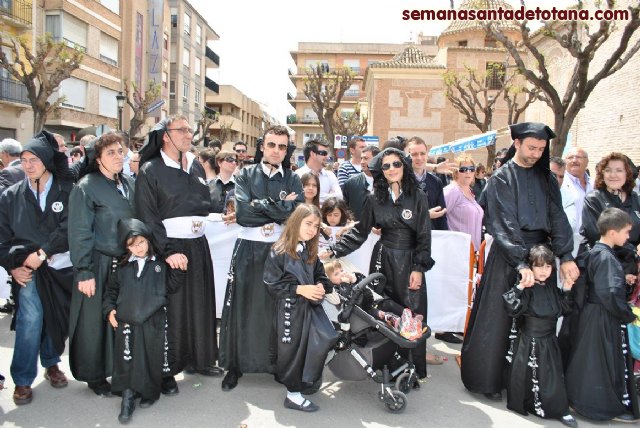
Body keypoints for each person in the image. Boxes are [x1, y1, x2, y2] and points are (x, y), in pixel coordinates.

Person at [461, 122, 578, 401]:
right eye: (531, 148)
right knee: (497, 320)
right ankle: (489, 380)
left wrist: (565, 256)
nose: (536, 154)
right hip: (508, 255)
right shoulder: (501, 178)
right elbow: (502, 222)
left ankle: (529, 383)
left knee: (537, 322)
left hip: (541, 256)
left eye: (541, 149)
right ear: (517, 144)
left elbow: (557, 216)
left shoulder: (547, 179)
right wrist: (521, 263)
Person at [325, 146, 433, 380]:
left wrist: (418, 268)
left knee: (411, 311)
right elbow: (360, 232)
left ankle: (412, 370)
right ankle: (386, 363)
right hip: (382, 260)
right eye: (386, 166)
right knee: (383, 311)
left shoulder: (418, 196)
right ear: (381, 171)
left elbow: (424, 236)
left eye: (396, 164)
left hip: (409, 260)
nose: (392, 169)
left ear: (404, 166)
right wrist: (333, 250)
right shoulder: (375, 198)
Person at [135, 115, 221, 397]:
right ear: (165, 135)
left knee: (200, 303)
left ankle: (200, 358)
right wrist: (167, 252)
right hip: (169, 248)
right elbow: (148, 215)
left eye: (189, 130)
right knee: (172, 310)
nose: (188, 134)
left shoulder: (195, 164)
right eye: (182, 130)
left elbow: (202, 204)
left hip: (198, 245)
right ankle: (167, 369)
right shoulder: (151, 169)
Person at [219, 125, 303, 391]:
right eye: (272, 145)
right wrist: (281, 206)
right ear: (262, 147)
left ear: (287, 150)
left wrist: (261, 205)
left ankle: (277, 365)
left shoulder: (293, 178)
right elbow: (243, 215)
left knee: (276, 310)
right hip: (248, 249)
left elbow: (296, 215)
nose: (277, 151)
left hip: (279, 252)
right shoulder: (245, 174)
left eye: (282, 146)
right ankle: (235, 366)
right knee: (241, 308)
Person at [0, 130, 75, 405]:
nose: (28, 165)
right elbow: (2, 239)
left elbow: (69, 228)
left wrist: (43, 253)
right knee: (30, 319)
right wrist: (13, 267)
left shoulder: (67, 191)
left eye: (34, 159)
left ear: (46, 160)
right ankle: (22, 379)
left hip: (60, 268)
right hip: (27, 271)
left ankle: (51, 362)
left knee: (57, 318)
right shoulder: (10, 196)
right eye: (23, 160)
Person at [68, 132, 136, 396]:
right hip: (97, 264)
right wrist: (84, 270)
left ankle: (121, 371)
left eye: (120, 151)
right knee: (93, 322)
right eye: (111, 153)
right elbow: (79, 231)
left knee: (119, 320)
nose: (118, 156)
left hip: (126, 262)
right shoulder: (86, 187)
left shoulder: (128, 183)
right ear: (98, 159)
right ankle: (94, 375)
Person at [566, 208, 639, 422]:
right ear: (612, 232)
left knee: (588, 360)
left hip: (590, 313)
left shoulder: (594, 253)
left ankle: (579, 400)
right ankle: (598, 406)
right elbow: (610, 293)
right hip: (603, 316)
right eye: (626, 232)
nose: (628, 237)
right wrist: (627, 314)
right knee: (600, 363)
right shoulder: (606, 257)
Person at [264, 203, 337, 412]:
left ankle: (304, 382)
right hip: (289, 312)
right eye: (308, 223)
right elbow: (271, 284)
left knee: (310, 347)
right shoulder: (279, 250)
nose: (312, 229)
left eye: (316, 226)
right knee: (291, 352)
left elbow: (321, 274)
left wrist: (321, 285)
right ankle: (293, 395)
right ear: (296, 222)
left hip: (309, 310)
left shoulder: (309, 250)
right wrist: (299, 289)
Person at [103, 219, 175, 424]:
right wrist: (109, 310)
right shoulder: (122, 267)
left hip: (153, 320)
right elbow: (111, 291)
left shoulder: (160, 264)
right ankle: (127, 398)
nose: (139, 248)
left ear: (148, 240)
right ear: (127, 247)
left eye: (141, 242)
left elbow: (173, 285)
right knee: (127, 359)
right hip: (127, 321)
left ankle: (149, 392)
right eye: (132, 245)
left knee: (151, 356)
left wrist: (177, 262)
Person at [502, 245, 577, 427]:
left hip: (550, 341)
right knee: (526, 377)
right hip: (529, 341)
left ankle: (559, 409)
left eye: (548, 266)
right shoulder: (526, 288)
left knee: (552, 377)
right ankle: (525, 403)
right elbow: (511, 308)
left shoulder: (551, 288)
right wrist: (520, 286)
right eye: (539, 266)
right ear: (530, 267)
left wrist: (567, 289)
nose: (544, 271)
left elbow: (564, 309)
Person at [405, 137, 448, 231]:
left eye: (422, 153)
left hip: (432, 236)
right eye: (414, 154)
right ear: (407, 156)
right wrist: (425, 215)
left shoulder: (436, 182)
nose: (419, 158)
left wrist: (444, 236)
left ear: (427, 155)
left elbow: (442, 216)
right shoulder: (400, 182)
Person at [443, 155, 484, 251]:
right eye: (463, 169)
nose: (468, 172)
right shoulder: (451, 191)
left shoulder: (470, 191)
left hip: (473, 251)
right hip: (456, 251)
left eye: (471, 169)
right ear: (456, 172)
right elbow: (438, 218)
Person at [296, 139, 342, 204]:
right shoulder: (297, 175)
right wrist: (331, 196)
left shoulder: (330, 175)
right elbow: (298, 197)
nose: (328, 157)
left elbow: (339, 197)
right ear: (312, 154)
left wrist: (310, 195)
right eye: (324, 153)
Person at [342, 145, 379, 222]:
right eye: (361, 158)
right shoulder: (351, 183)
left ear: (377, 160)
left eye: (366, 158)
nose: (362, 162)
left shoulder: (387, 182)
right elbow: (344, 207)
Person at [561, 147, 593, 236]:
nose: (574, 160)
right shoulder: (560, 183)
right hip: (568, 238)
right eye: (570, 157)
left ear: (587, 161)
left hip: (592, 238)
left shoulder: (595, 184)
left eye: (578, 157)